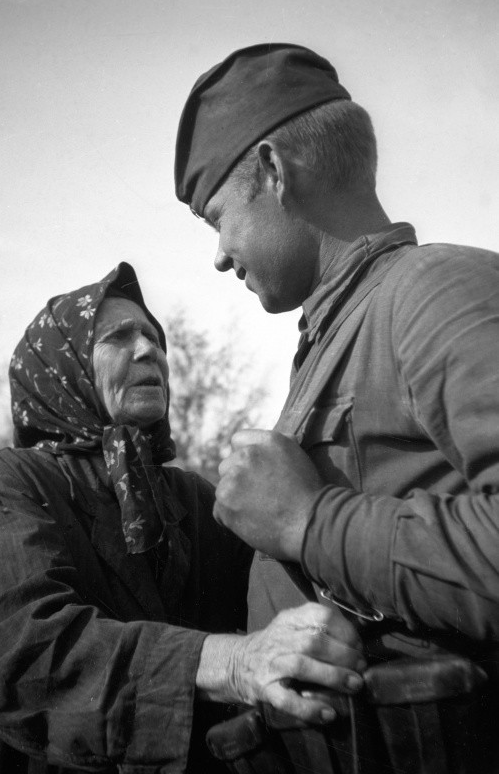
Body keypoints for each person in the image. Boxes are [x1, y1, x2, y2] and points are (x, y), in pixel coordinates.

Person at [175, 43, 499, 770]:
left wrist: (309, 520)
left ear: (274, 172)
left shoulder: (433, 292)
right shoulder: (341, 332)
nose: (221, 256)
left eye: (218, 218)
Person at [0, 261, 364, 773]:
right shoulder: (11, 481)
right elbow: (28, 656)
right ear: (61, 367)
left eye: (154, 337)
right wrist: (234, 662)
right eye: (118, 336)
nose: (148, 350)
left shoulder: (198, 500)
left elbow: (279, 597)